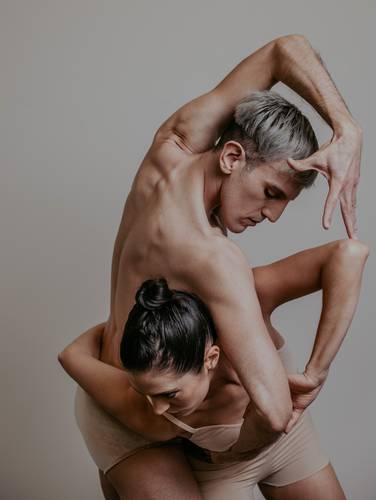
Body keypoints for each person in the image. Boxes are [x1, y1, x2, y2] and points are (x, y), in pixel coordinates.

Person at [59, 35, 364, 499]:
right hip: (139, 408)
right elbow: (275, 410)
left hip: (176, 394)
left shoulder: (173, 146)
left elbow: (285, 49)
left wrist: (347, 130)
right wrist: (234, 451)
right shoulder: (210, 258)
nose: (273, 215)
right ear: (232, 157)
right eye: (271, 193)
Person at [60, 234, 368, 500]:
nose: (157, 407)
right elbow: (71, 355)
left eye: (169, 393)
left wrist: (317, 371)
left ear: (211, 358)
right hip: (219, 470)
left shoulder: (245, 305)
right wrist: (122, 327)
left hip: (290, 444)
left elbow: (349, 255)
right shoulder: (148, 413)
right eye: (148, 393)